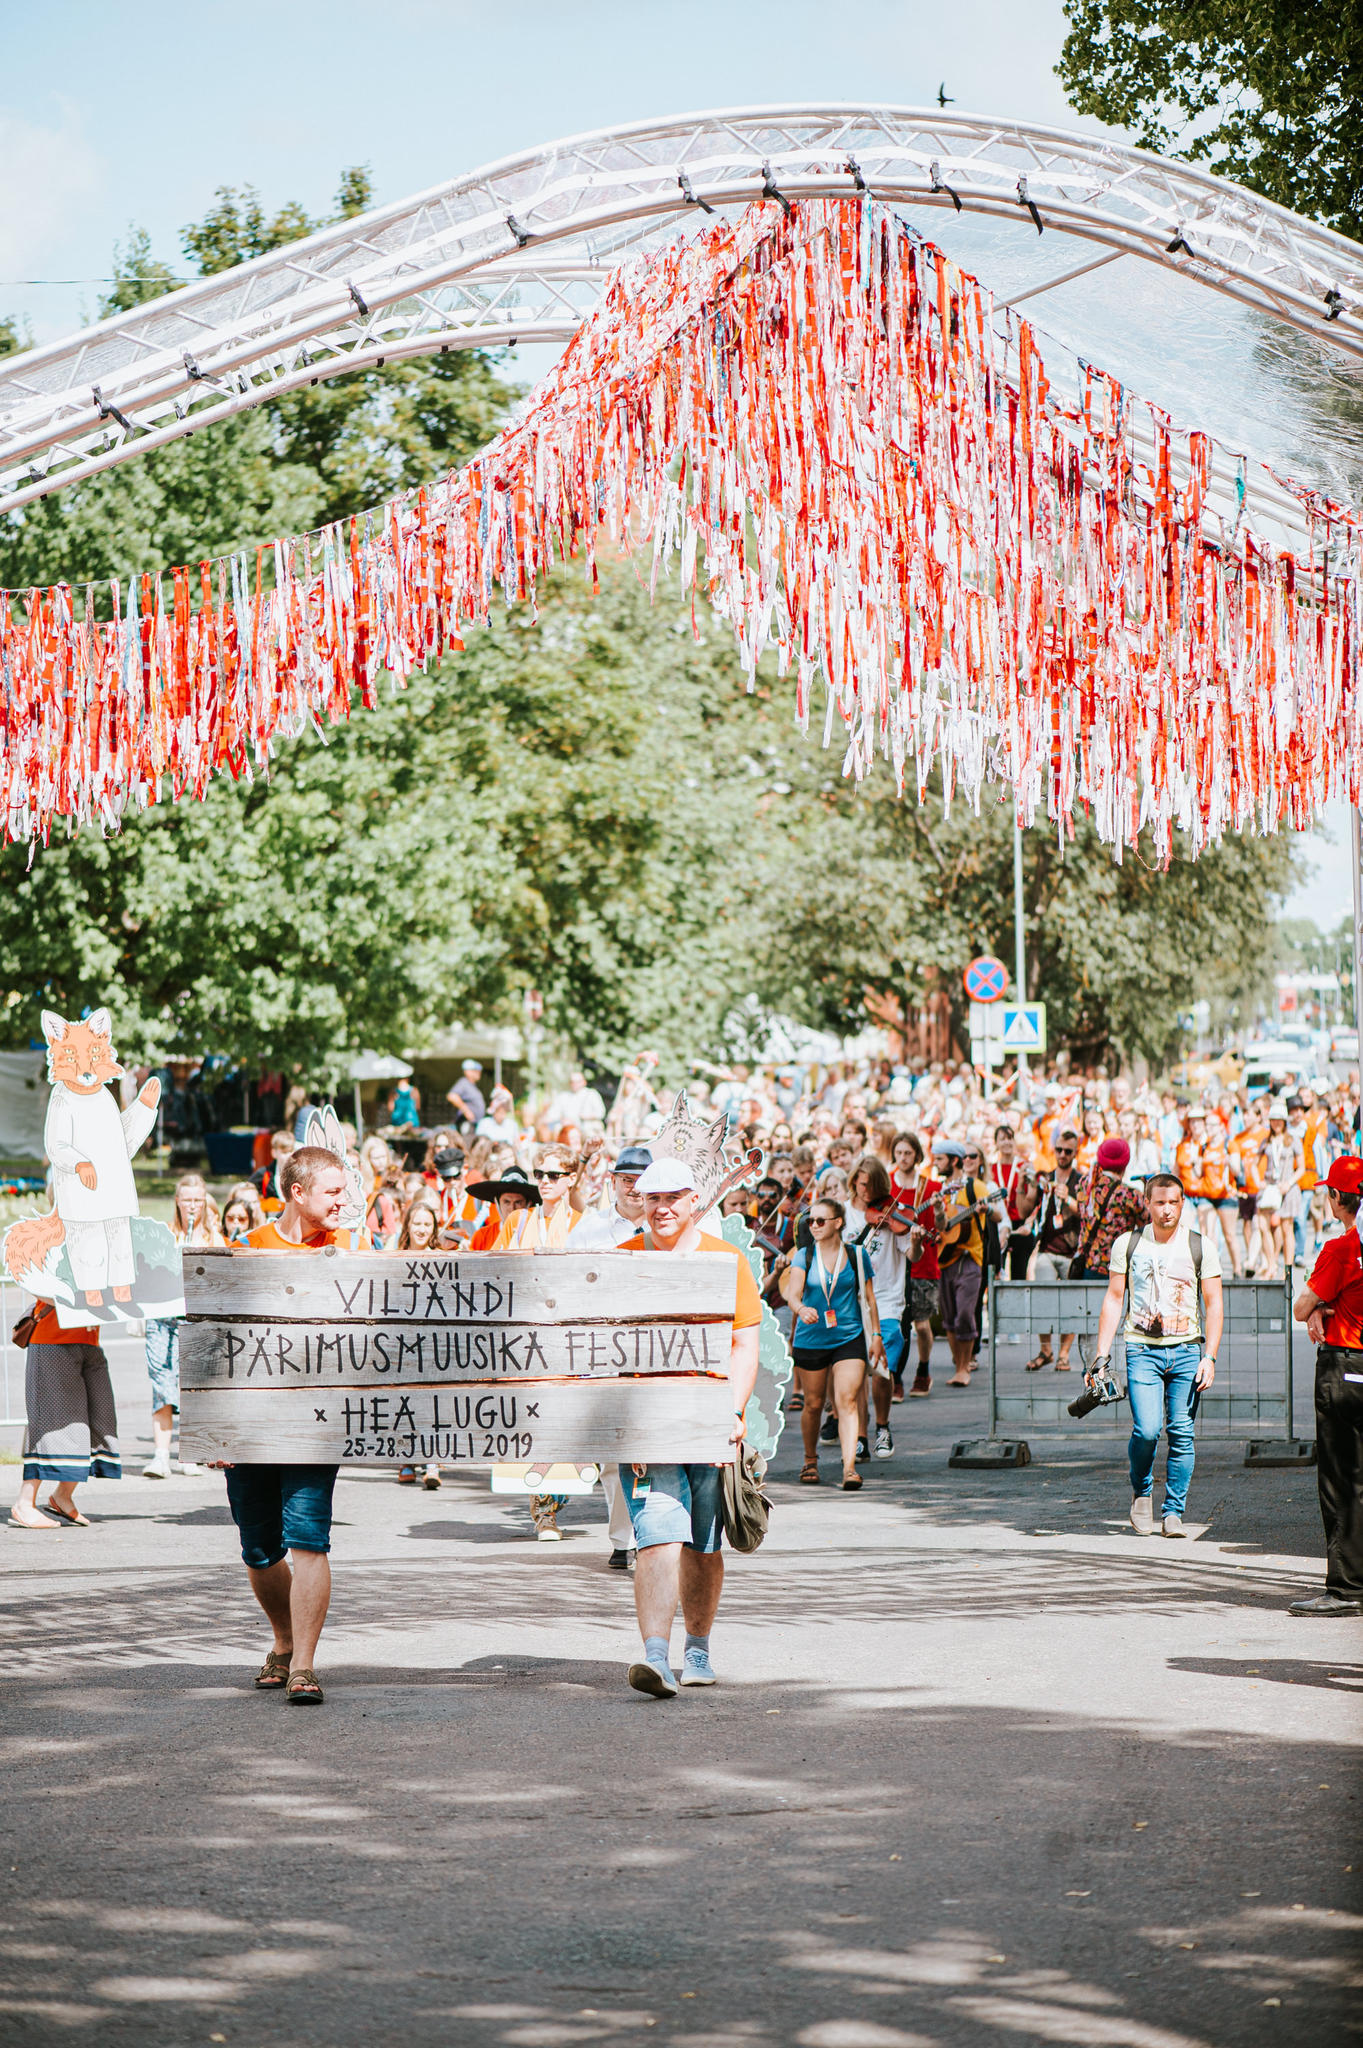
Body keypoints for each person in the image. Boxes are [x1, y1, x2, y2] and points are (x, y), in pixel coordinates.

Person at [617, 1158, 761, 1696]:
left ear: (695, 1201)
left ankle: (696, 1647)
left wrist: (735, 1410)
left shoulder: (727, 1261)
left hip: (708, 1422)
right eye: (653, 1198)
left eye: (673, 1197)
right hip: (646, 1425)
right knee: (658, 1529)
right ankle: (654, 1656)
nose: (663, 1208)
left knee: (703, 1540)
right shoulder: (621, 1262)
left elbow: (744, 1344)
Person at [219, 1146, 355, 1704]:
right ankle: (282, 1639)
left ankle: (304, 1664)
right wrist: (215, 1430)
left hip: (316, 1426)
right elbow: (215, 1347)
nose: (342, 1202)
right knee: (258, 1547)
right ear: (297, 1193)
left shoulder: (350, 1253)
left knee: (308, 1539)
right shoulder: (246, 1251)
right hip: (251, 1428)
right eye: (332, 1192)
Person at [1092, 1172, 1223, 1539]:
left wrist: (1209, 1356)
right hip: (1142, 1350)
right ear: (1147, 1203)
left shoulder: (1200, 1246)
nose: (1167, 1210)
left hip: (1186, 1351)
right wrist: (1101, 1356)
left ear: (1183, 1203)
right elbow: (1114, 1299)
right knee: (1147, 1430)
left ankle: (1174, 1512)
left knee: (1182, 1433)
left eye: (1174, 1202)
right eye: (1160, 1202)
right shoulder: (1129, 1244)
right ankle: (1142, 1491)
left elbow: (1214, 1305)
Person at [562, 1143, 652, 1566]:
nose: (634, 1189)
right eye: (627, 1180)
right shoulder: (589, 1229)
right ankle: (625, 1540)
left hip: (655, 1353)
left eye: (642, 1181)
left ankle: (651, 1534)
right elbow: (566, 1288)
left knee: (652, 1450)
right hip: (602, 1352)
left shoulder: (668, 1224)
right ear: (613, 1181)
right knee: (614, 1456)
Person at [1288, 1155, 1363, 1614]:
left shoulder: (1341, 1249)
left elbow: (1301, 1306)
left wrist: (1318, 1306)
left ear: (1336, 1198)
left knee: (1341, 1481)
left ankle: (1346, 1589)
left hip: (1345, 1367)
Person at [785, 1194, 886, 1488]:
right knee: (814, 1404)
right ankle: (809, 1460)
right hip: (811, 1338)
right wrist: (801, 1309)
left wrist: (877, 1336)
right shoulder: (803, 1256)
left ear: (837, 1223)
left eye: (820, 1220)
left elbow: (869, 1299)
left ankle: (849, 1468)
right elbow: (793, 1294)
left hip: (849, 1336)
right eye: (810, 1220)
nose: (813, 1225)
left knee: (847, 1401)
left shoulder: (856, 1254)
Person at [10, 1295, 120, 1529]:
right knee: (52, 1422)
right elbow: (36, 1283)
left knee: (100, 1420)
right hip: (52, 1338)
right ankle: (24, 1502)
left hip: (89, 1338)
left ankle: (62, 1495)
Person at [142, 1172, 222, 1479]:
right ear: (177, 1201)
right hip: (164, 1318)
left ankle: (187, 1453)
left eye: (197, 1200)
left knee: (192, 1386)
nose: (192, 1206)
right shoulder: (164, 1235)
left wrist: (212, 1235)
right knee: (161, 1383)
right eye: (187, 1200)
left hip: (195, 1319)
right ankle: (160, 1454)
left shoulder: (211, 1235)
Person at [845, 1157, 909, 1458]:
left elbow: (913, 1252)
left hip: (886, 1299)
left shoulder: (893, 1215)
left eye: (871, 1185)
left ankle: (882, 1427)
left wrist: (918, 1238)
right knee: (857, 1371)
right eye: (860, 1184)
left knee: (882, 1367)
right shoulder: (844, 1215)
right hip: (851, 1301)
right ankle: (860, 1435)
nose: (865, 1190)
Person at [924, 1139, 992, 1387]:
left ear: (953, 1160)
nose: (936, 1163)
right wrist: (940, 1212)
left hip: (971, 1258)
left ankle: (965, 1366)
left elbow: (997, 1213)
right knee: (950, 1316)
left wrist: (986, 1211)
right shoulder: (941, 1190)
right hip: (945, 1258)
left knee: (965, 1313)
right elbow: (941, 1226)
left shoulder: (976, 1187)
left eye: (940, 1159)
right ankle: (959, 1364)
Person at [1019, 1127, 1084, 1371]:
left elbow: (1087, 1212)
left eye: (1068, 1151)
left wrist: (1068, 1198)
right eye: (1059, 1150)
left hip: (1071, 1251)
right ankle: (1046, 1350)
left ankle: (1064, 1355)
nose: (1063, 1155)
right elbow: (1025, 1210)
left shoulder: (1081, 1181)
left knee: (1070, 1304)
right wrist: (1023, 1188)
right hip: (1046, 1248)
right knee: (1043, 1301)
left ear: (1076, 1153)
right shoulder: (1045, 1177)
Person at [1069, 1139, 1147, 1280]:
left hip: (1088, 1263)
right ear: (1125, 1162)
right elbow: (1148, 1225)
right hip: (1118, 1267)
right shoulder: (1129, 1195)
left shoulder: (1085, 1187)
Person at [493, 1145, 582, 1251]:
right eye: (539, 1174)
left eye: (553, 1175)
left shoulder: (583, 1223)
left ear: (572, 1179)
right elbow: (493, 1263)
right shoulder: (517, 1219)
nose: (544, 1180)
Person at [464, 1163, 538, 1250]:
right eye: (506, 1202)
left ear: (528, 1204)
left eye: (518, 1202)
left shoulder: (536, 1234)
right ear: (497, 1203)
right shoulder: (482, 1236)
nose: (512, 1208)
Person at [251, 1128, 296, 1214]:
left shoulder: (299, 1173)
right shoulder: (265, 1173)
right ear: (274, 1153)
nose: (288, 1155)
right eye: (284, 1152)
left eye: (290, 1151)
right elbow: (247, 1189)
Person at [446, 1060, 486, 1130]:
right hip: (467, 1123)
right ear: (468, 1072)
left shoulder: (472, 1085)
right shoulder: (464, 1083)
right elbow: (452, 1096)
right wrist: (466, 1111)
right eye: (475, 1071)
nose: (479, 1073)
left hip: (474, 1124)